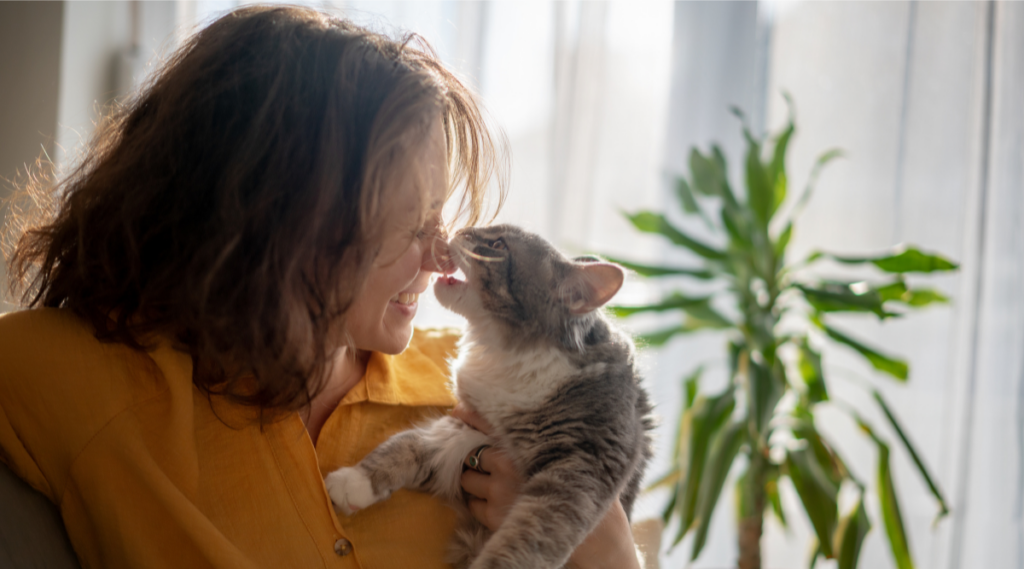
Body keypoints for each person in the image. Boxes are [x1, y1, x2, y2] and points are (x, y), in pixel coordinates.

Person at [0, 5, 642, 569]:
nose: (441, 254)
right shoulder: (87, 378)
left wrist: (611, 553)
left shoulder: (481, 398)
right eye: (413, 222)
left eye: (440, 219)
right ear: (280, 214)